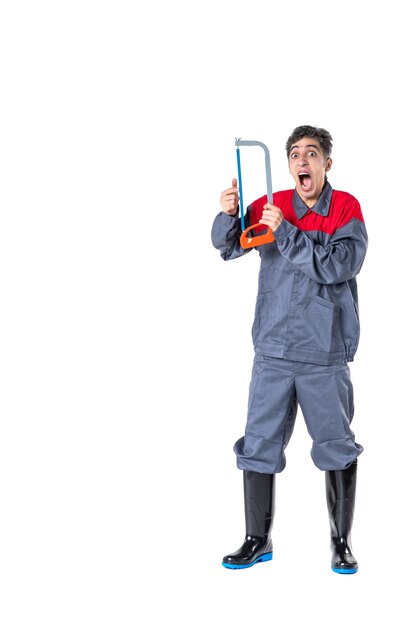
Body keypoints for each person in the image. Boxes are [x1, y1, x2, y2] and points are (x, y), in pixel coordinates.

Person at [211, 125, 368, 574]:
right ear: (289, 164)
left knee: (336, 447)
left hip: (324, 352)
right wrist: (229, 215)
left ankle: (341, 542)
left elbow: (340, 264)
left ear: (326, 164)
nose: (303, 161)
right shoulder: (272, 205)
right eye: (295, 154)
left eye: (312, 153)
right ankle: (256, 540)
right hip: (274, 352)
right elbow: (228, 247)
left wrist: (288, 236)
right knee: (258, 445)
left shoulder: (346, 209)